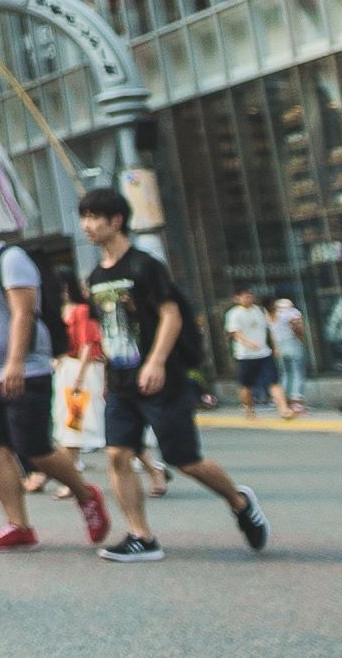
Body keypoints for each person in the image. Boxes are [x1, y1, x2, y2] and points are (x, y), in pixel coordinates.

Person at [75, 190, 270, 560]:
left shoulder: (144, 266)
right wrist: (105, 377)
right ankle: (141, 536)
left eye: (94, 217)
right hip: (121, 381)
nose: (86, 225)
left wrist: (157, 361)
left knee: (185, 459)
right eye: (83, 217)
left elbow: (171, 314)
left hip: (161, 379)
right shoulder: (97, 274)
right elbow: (108, 330)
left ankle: (239, 501)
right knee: (117, 455)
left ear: (116, 221)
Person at [0, 194, 112, 553]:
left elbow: (23, 313)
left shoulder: (10, 259)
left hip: (24, 370)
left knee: (32, 448)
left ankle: (86, 494)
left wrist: (15, 362)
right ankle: (18, 525)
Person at [223, 290, 277, 419]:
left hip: (264, 353)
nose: (249, 299)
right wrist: (248, 343)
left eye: (250, 296)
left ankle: (283, 408)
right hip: (245, 355)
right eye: (245, 296)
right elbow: (235, 333)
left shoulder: (259, 311)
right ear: (238, 298)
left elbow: (270, 328)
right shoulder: (234, 313)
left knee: (274, 381)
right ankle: (249, 410)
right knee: (246, 385)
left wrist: (274, 347)